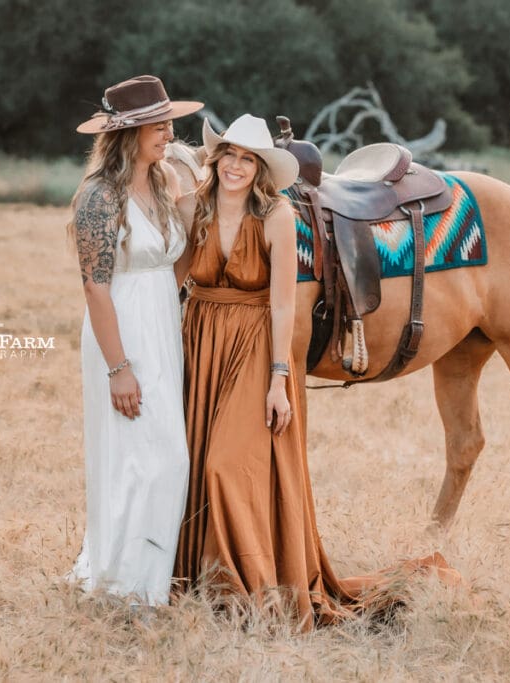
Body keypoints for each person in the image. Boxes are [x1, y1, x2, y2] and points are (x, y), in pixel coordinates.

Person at [173, 114, 459, 630]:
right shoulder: (194, 205)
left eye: (248, 159)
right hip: (202, 338)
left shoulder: (277, 215)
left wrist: (280, 379)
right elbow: (173, 277)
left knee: (222, 464)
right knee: (193, 465)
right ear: (215, 161)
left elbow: (285, 306)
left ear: (260, 168)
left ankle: (244, 587)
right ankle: (199, 580)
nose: (236, 166)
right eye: (229, 156)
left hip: (255, 345)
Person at [67, 75, 203, 606]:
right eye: (160, 125)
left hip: (161, 326)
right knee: (142, 456)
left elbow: (175, 265)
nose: (170, 133)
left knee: (165, 457)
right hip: (118, 328)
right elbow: (95, 290)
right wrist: (117, 366)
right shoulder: (99, 197)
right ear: (131, 132)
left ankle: (144, 581)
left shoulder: (166, 180)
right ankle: (123, 586)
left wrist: (199, 213)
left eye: (169, 123)